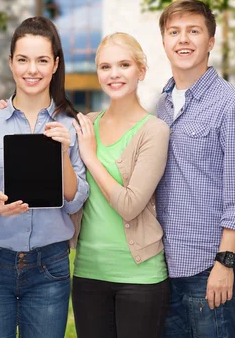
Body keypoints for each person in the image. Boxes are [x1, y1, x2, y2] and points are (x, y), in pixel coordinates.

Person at [0, 16, 89, 338]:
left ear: (56, 64)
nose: (32, 69)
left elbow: (74, 203)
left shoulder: (71, 125)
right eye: (23, 60)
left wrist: (62, 153)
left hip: (50, 267)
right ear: (11, 63)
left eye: (42, 60)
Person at [156, 0, 235, 337]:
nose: (183, 39)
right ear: (165, 42)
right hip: (163, 268)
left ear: (210, 42)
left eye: (193, 31)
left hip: (207, 267)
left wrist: (224, 263)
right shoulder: (161, 105)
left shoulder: (233, 104)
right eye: (174, 32)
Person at [70, 32, 171, 338]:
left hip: (139, 278)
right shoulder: (86, 124)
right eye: (105, 66)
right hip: (88, 272)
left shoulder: (154, 131)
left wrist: (90, 156)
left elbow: (130, 206)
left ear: (140, 70)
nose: (114, 74)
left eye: (124, 64)